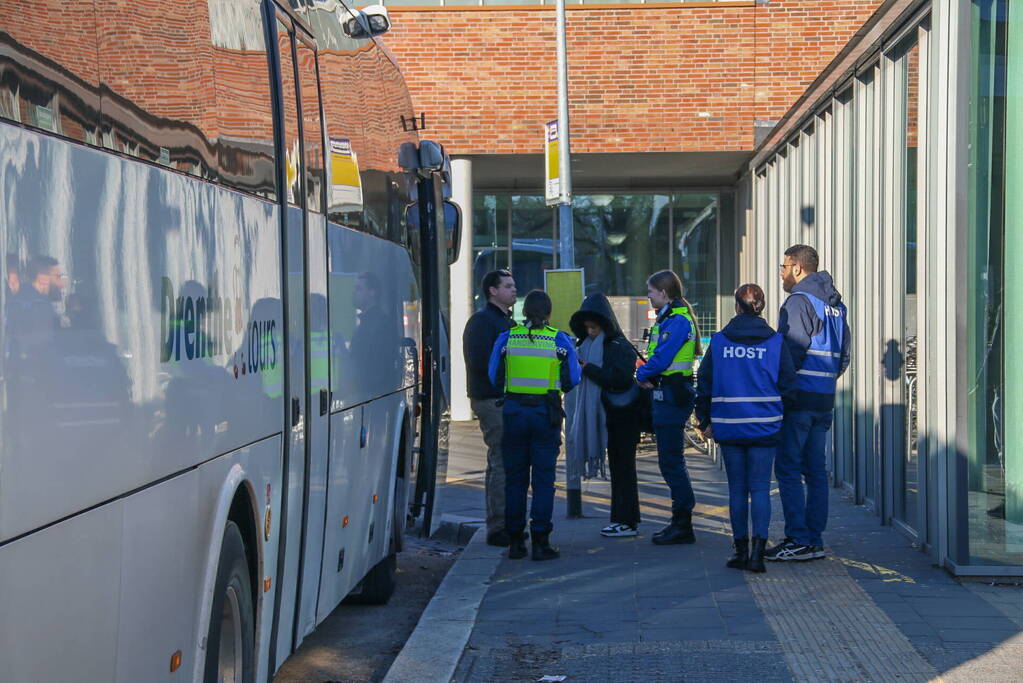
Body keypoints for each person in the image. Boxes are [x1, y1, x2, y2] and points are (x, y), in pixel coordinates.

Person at [695, 284, 797, 572]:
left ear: (737, 306)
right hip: (765, 426)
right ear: (762, 306)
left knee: (737, 490)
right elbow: (789, 386)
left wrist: (704, 420)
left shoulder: (719, 342)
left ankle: (739, 551)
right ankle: (757, 555)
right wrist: (779, 414)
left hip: (728, 425)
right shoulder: (776, 343)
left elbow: (704, 384)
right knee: (761, 489)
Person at [766, 245, 851, 562]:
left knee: (788, 468)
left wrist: (779, 390)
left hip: (799, 398)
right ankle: (813, 539)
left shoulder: (799, 301)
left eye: (783, 266)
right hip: (824, 398)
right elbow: (844, 355)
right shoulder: (835, 305)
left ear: (797, 268)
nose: (781, 273)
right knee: (816, 471)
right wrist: (826, 380)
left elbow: (791, 352)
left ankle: (798, 539)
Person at [488, 290, 580, 560]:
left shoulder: (507, 337)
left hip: (514, 413)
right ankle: (541, 541)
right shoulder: (559, 340)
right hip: (545, 414)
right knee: (543, 480)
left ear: (523, 311)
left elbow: (494, 374)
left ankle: (516, 542)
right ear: (549, 313)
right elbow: (573, 377)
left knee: (515, 480)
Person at [566, 293, 643, 537]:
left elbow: (618, 379)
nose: (590, 332)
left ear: (605, 324)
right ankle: (621, 520)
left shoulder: (619, 347)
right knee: (620, 470)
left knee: (623, 470)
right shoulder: (586, 347)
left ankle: (626, 521)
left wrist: (588, 369)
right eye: (587, 328)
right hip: (611, 416)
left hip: (622, 417)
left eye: (594, 327)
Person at [636, 270, 702, 545]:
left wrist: (641, 374)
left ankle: (683, 522)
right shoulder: (672, 318)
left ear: (663, 293)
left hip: (672, 395)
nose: (649, 296)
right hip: (670, 394)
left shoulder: (676, 321)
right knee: (670, 460)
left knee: (671, 462)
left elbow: (662, 358)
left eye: (651, 291)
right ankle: (679, 520)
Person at [462, 269, 517, 546]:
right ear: (492, 291)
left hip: (504, 398)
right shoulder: (482, 322)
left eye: (513, 285)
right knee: (502, 461)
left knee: (504, 460)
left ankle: (506, 521)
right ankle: (498, 526)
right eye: (508, 286)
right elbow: (482, 363)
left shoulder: (506, 322)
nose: (514, 290)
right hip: (492, 399)